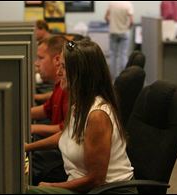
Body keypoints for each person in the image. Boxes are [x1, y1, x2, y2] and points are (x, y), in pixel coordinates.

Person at [26, 39, 136, 194]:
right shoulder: (80, 103)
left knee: (28, 191)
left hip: (106, 191)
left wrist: (51, 186)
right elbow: (67, 135)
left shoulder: (97, 115)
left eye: (63, 68)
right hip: (85, 187)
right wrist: (27, 147)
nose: (58, 73)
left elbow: (95, 180)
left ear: (80, 73)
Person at [30, 35, 68, 186]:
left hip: (63, 157)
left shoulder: (68, 87)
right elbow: (46, 110)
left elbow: (65, 130)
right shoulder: (60, 85)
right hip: (61, 150)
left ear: (57, 60)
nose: (36, 64)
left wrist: (32, 127)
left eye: (40, 58)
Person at [105, 1, 134, 81]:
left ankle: (112, 77)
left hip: (113, 32)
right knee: (123, 55)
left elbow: (106, 17)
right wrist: (127, 27)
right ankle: (123, 77)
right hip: (124, 32)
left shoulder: (112, 3)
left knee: (113, 55)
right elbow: (131, 21)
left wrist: (112, 23)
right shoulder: (128, 4)